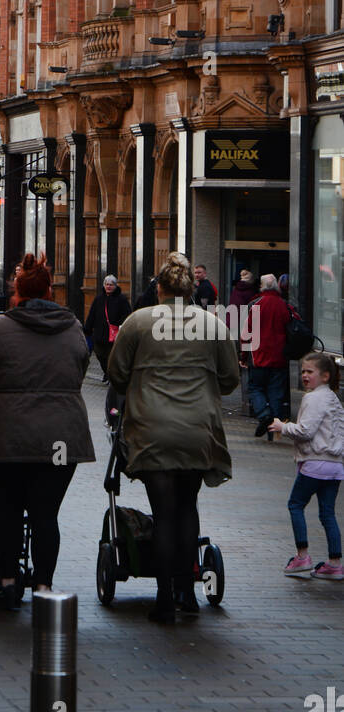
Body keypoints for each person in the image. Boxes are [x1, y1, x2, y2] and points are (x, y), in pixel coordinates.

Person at [107, 252, 241, 624]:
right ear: (191, 288)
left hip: (152, 431)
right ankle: (188, 594)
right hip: (197, 431)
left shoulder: (138, 323)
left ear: (160, 288)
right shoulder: (212, 324)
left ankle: (164, 598)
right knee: (187, 509)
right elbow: (230, 381)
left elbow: (116, 374)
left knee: (164, 513)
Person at [0, 253, 94, 608]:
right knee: (47, 514)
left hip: (11, 436)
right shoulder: (74, 326)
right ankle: (44, 587)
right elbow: (80, 369)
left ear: (17, 291)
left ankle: (7, 583)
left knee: (11, 509)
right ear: (50, 290)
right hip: (61, 437)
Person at [270, 353, 344, 579]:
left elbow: (305, 431)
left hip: (315, 463)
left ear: (325, 376)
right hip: (335, 466)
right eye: (303, 371)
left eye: (309, 372)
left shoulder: (313, 399)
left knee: (295, 504)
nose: (304, 375)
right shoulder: (334, 399)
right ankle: (335, 563)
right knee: (327, 513)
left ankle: (302, 556)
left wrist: (283, 427)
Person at [239, 274, 290, 438]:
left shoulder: (255, 305)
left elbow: (246, 333)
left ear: (261, 286)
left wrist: (243, 356)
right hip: (279, 357)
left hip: (258, 356)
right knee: (276, 393)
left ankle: (264, 415)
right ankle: (273, 431)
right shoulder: (285, 306)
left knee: (255, 388)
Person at [84, 275, 131, 379]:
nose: (108, 286)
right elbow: (92, 314)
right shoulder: (99, 299)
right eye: (106, 284)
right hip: (100, 335)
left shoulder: (121, 299)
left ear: (115, 286)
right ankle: (107, 373)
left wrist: (121, 327)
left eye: (111, 285)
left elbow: (127, 315)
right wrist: (87, 328)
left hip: (114, 336)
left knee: (112, 357)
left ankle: (111, 376)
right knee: (100, 355)